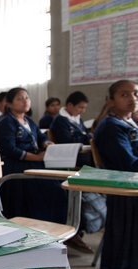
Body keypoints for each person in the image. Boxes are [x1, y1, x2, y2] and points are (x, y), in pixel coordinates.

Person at [0, 87, 68, 223]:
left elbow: (41, 137)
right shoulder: (6, 122)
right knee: (53, 190)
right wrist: (36, 157)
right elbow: (8, 149)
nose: (25, 101)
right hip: (16, 166)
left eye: (27, 98)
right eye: (20, 98)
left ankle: (55, 225)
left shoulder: (28, 121)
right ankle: (40, 225)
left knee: (62, 186)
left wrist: (47, 143)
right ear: (9, 104)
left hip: (34, 163)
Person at [94, 79, 138, 269]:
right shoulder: (111, 126)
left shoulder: (127, 122)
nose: (132, 98)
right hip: (124, 187)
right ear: (111, 101)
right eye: (125, 94)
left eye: (135, 93)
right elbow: (128, 164)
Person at [50, 92, 103, 252]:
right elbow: (68, 142)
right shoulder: (60, 121)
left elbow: (85, 137)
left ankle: (87, 223)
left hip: (83, 159)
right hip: (71, 162)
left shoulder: (75, 119)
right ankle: (78, 227)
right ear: (70, 105)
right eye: (80, 107)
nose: (82, 111)